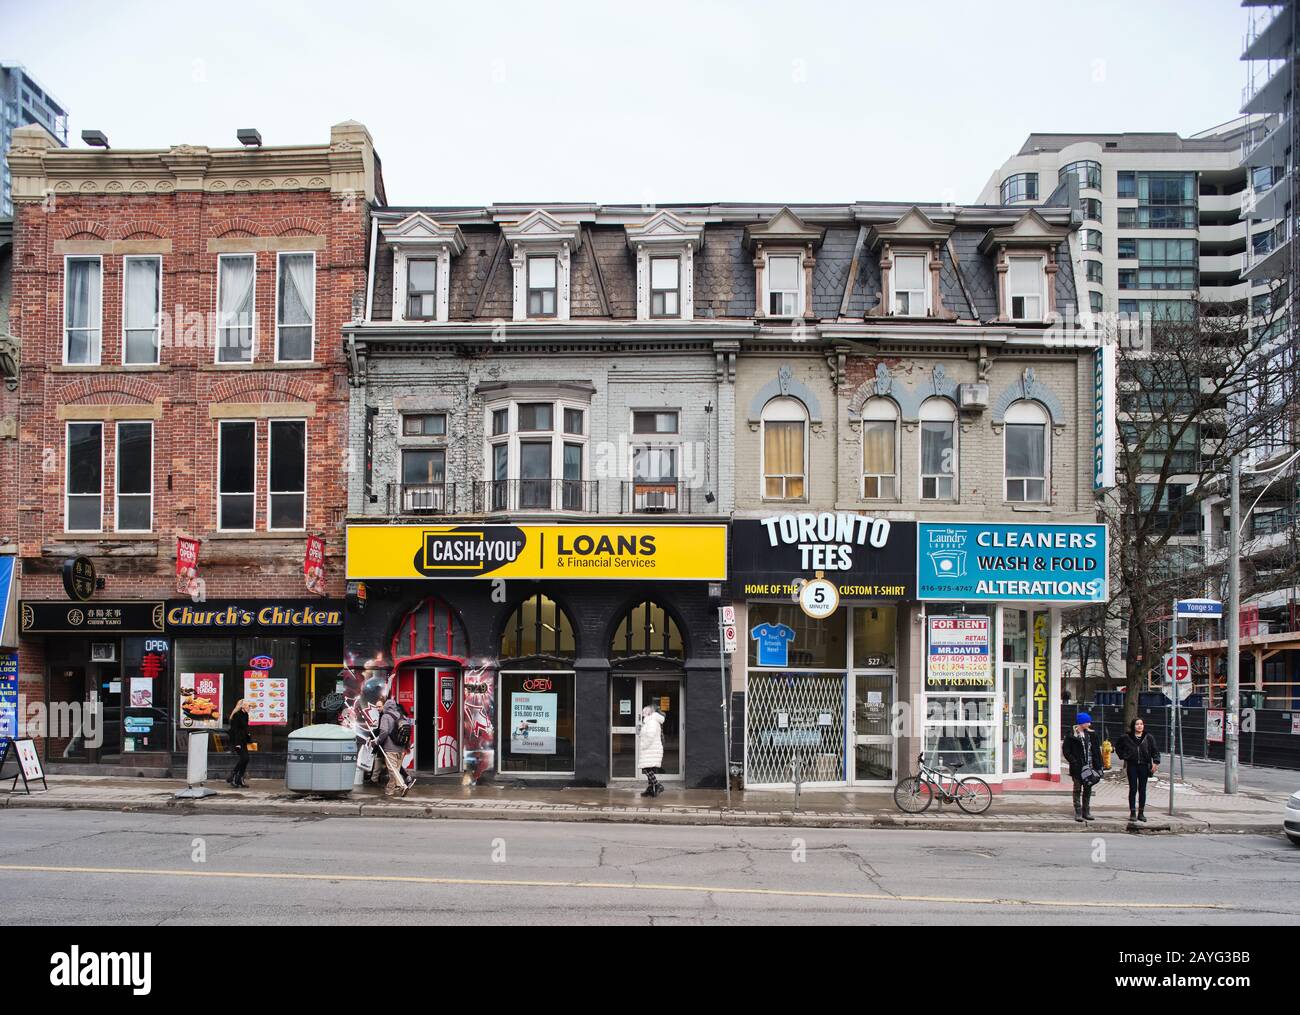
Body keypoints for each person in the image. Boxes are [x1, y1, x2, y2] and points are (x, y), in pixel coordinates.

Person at [1116, 717, 1161, 822]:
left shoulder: (1148, 737)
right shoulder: (1127, 737)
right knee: (1133, 789)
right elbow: (1118, 747)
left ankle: (1141, 812)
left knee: (1142, 789)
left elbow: (1155, 750)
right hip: (1132, 765)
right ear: (1133, 726)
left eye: (1141, 724)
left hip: (1144, 766)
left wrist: (1156, 762)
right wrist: (1124, 756)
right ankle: (1132, 812)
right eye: (1137, 724)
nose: (1140, 726)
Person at [1062, 711, 1103, 822]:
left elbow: (1096, 751)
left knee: (1088, 788)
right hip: (1077, 767)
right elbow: (1066, 751)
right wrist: (1073, 761)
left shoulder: (1091, 735)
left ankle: (1086, 811)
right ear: (1081, 723)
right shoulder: (1071, 735)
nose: (1089, 724)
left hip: (1089, 766)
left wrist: (1099, 766)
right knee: (1077, 788)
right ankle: (1078, 811)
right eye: (1087, 722)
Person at [375, 691, 414, 798]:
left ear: (386, 707)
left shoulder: (385, 716)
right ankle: (390, 790)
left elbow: (383, 732)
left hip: (390, 748)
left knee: (393, 770)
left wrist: (377, 742)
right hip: (401, 748)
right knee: (394, 770)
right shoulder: (400, 715)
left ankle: (402, 785)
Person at [638, 703, 665, 797]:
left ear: (649, 713)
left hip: (651, 748)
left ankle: (657, 785)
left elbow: (650, 736)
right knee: (649, 768)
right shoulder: (650, 721)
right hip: (651, 749)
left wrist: (644, 745)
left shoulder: (652, 721)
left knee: (646, 768)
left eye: (644, 712)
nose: (642, 714)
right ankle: (650, 789)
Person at [225, 699, 252, 788]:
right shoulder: (236, 715)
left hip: (243, 740)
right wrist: (237, 743)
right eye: (249, 706)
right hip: (237, 741)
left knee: (246, 759)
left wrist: (248, 737)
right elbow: (235, 730)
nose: (250, 707)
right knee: (244, 758)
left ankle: (238, 779)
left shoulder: (246, 715)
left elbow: (245, 728)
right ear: (243, 706)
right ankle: (233, 776)